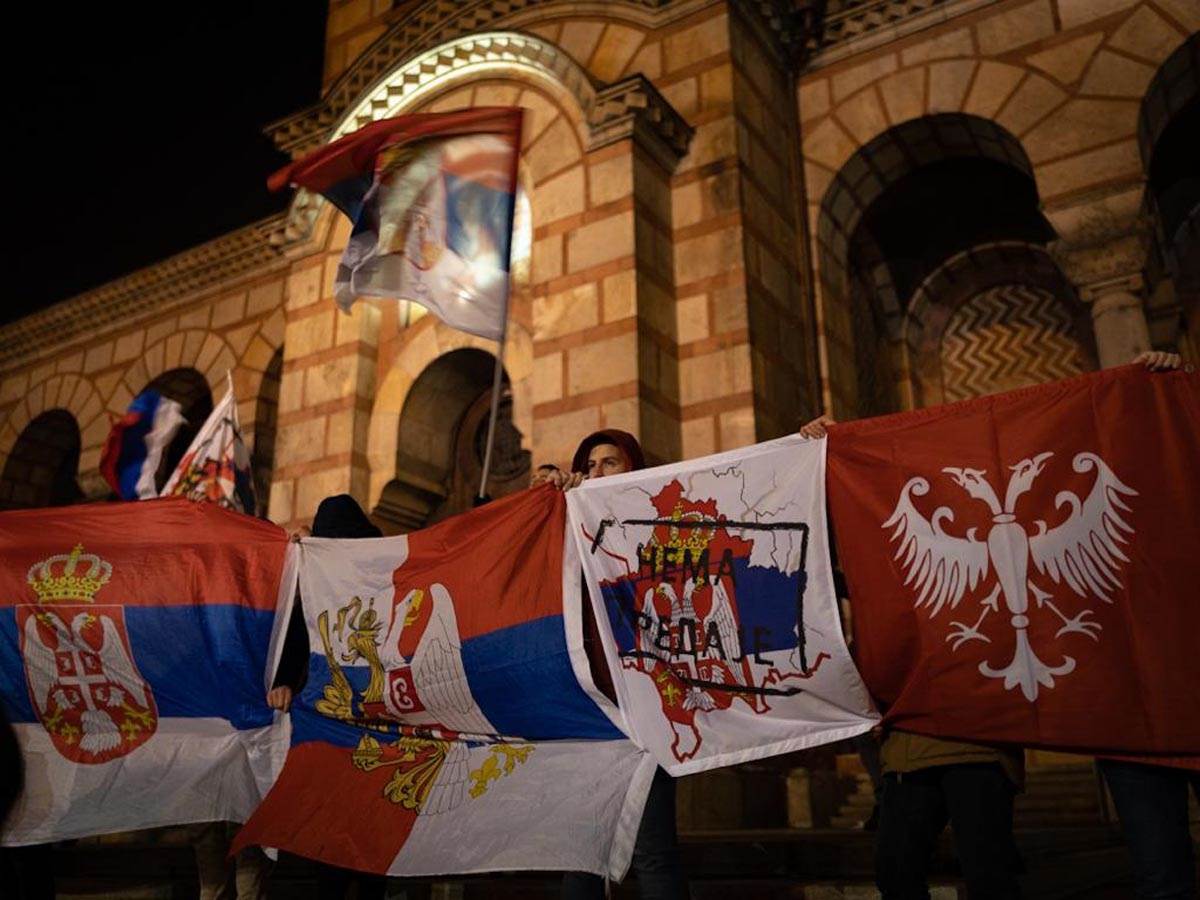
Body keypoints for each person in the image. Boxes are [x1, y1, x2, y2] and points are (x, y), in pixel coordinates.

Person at [800, 348, 1189, 900]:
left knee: (990, 874)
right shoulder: (902, 558)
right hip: (918, 739)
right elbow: (842, 554)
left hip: (985, 738)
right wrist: (826, 454)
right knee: (901, 869)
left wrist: (1167, 392)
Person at [552, 430, 688, 900]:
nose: (596, 473)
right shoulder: (567, 527)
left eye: (609, 462)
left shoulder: (656, 531)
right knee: (582, 855)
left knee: (653, 850)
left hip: (645, 711)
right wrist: (545, 499)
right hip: (589, 711)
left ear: (633, 468)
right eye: (589, 465)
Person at [266, 494, 388, 900]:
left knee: (371, 838)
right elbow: (298, 633)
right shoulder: (317, 583)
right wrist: (284, 680)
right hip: (332, 724)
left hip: (376, 725)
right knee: (332, 837)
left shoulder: (385, 574)